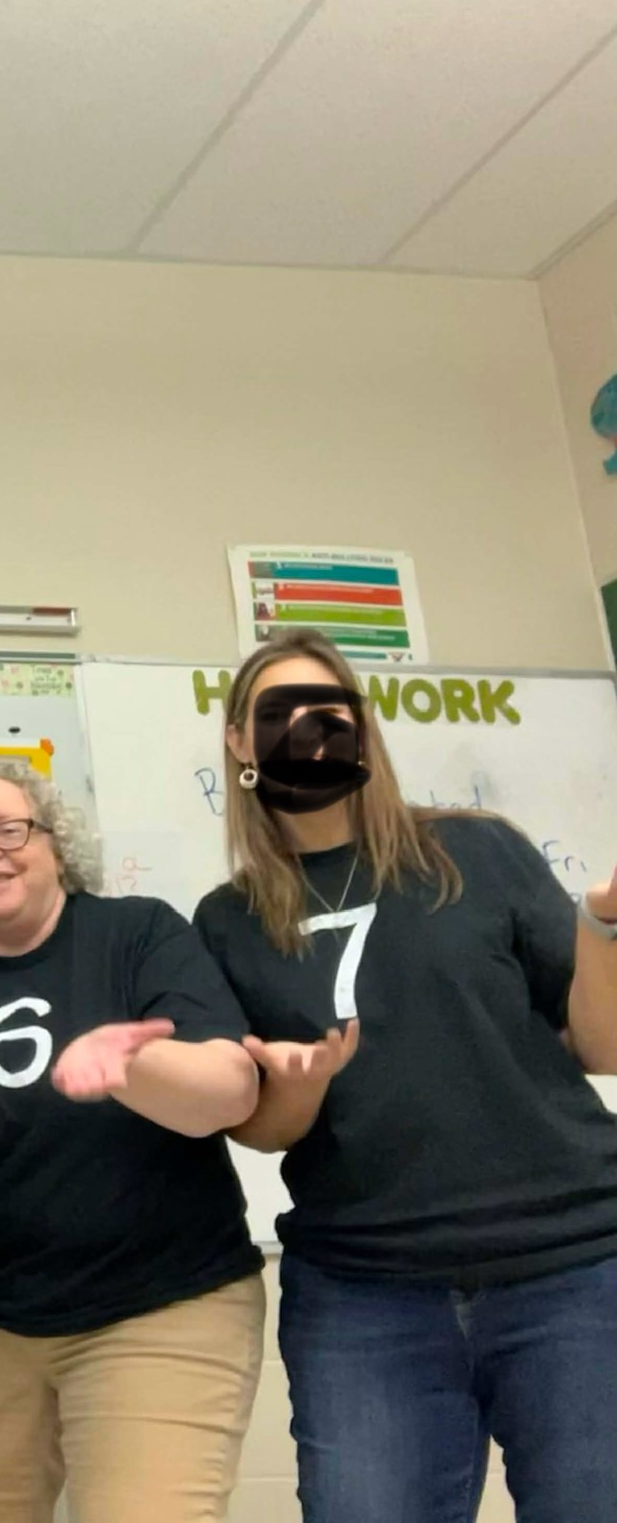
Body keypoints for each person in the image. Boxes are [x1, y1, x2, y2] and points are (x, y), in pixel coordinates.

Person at [194, 627, 617, 1523]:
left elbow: (603, 1044)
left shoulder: (476, 851)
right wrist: (300, 1082)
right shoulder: (228, 918)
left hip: (573, 1267)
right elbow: (260, 1127)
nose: (308, 729)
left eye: (329, 708)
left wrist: (604, 928)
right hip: (364, 1294)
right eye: (278, 712)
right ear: (238, 741)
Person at [0, 755, 265, 1523]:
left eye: (10, 829)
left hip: (159, 1304)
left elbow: (230, 1090)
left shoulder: (140, 933)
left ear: (58, 843)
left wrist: (130, 1066)